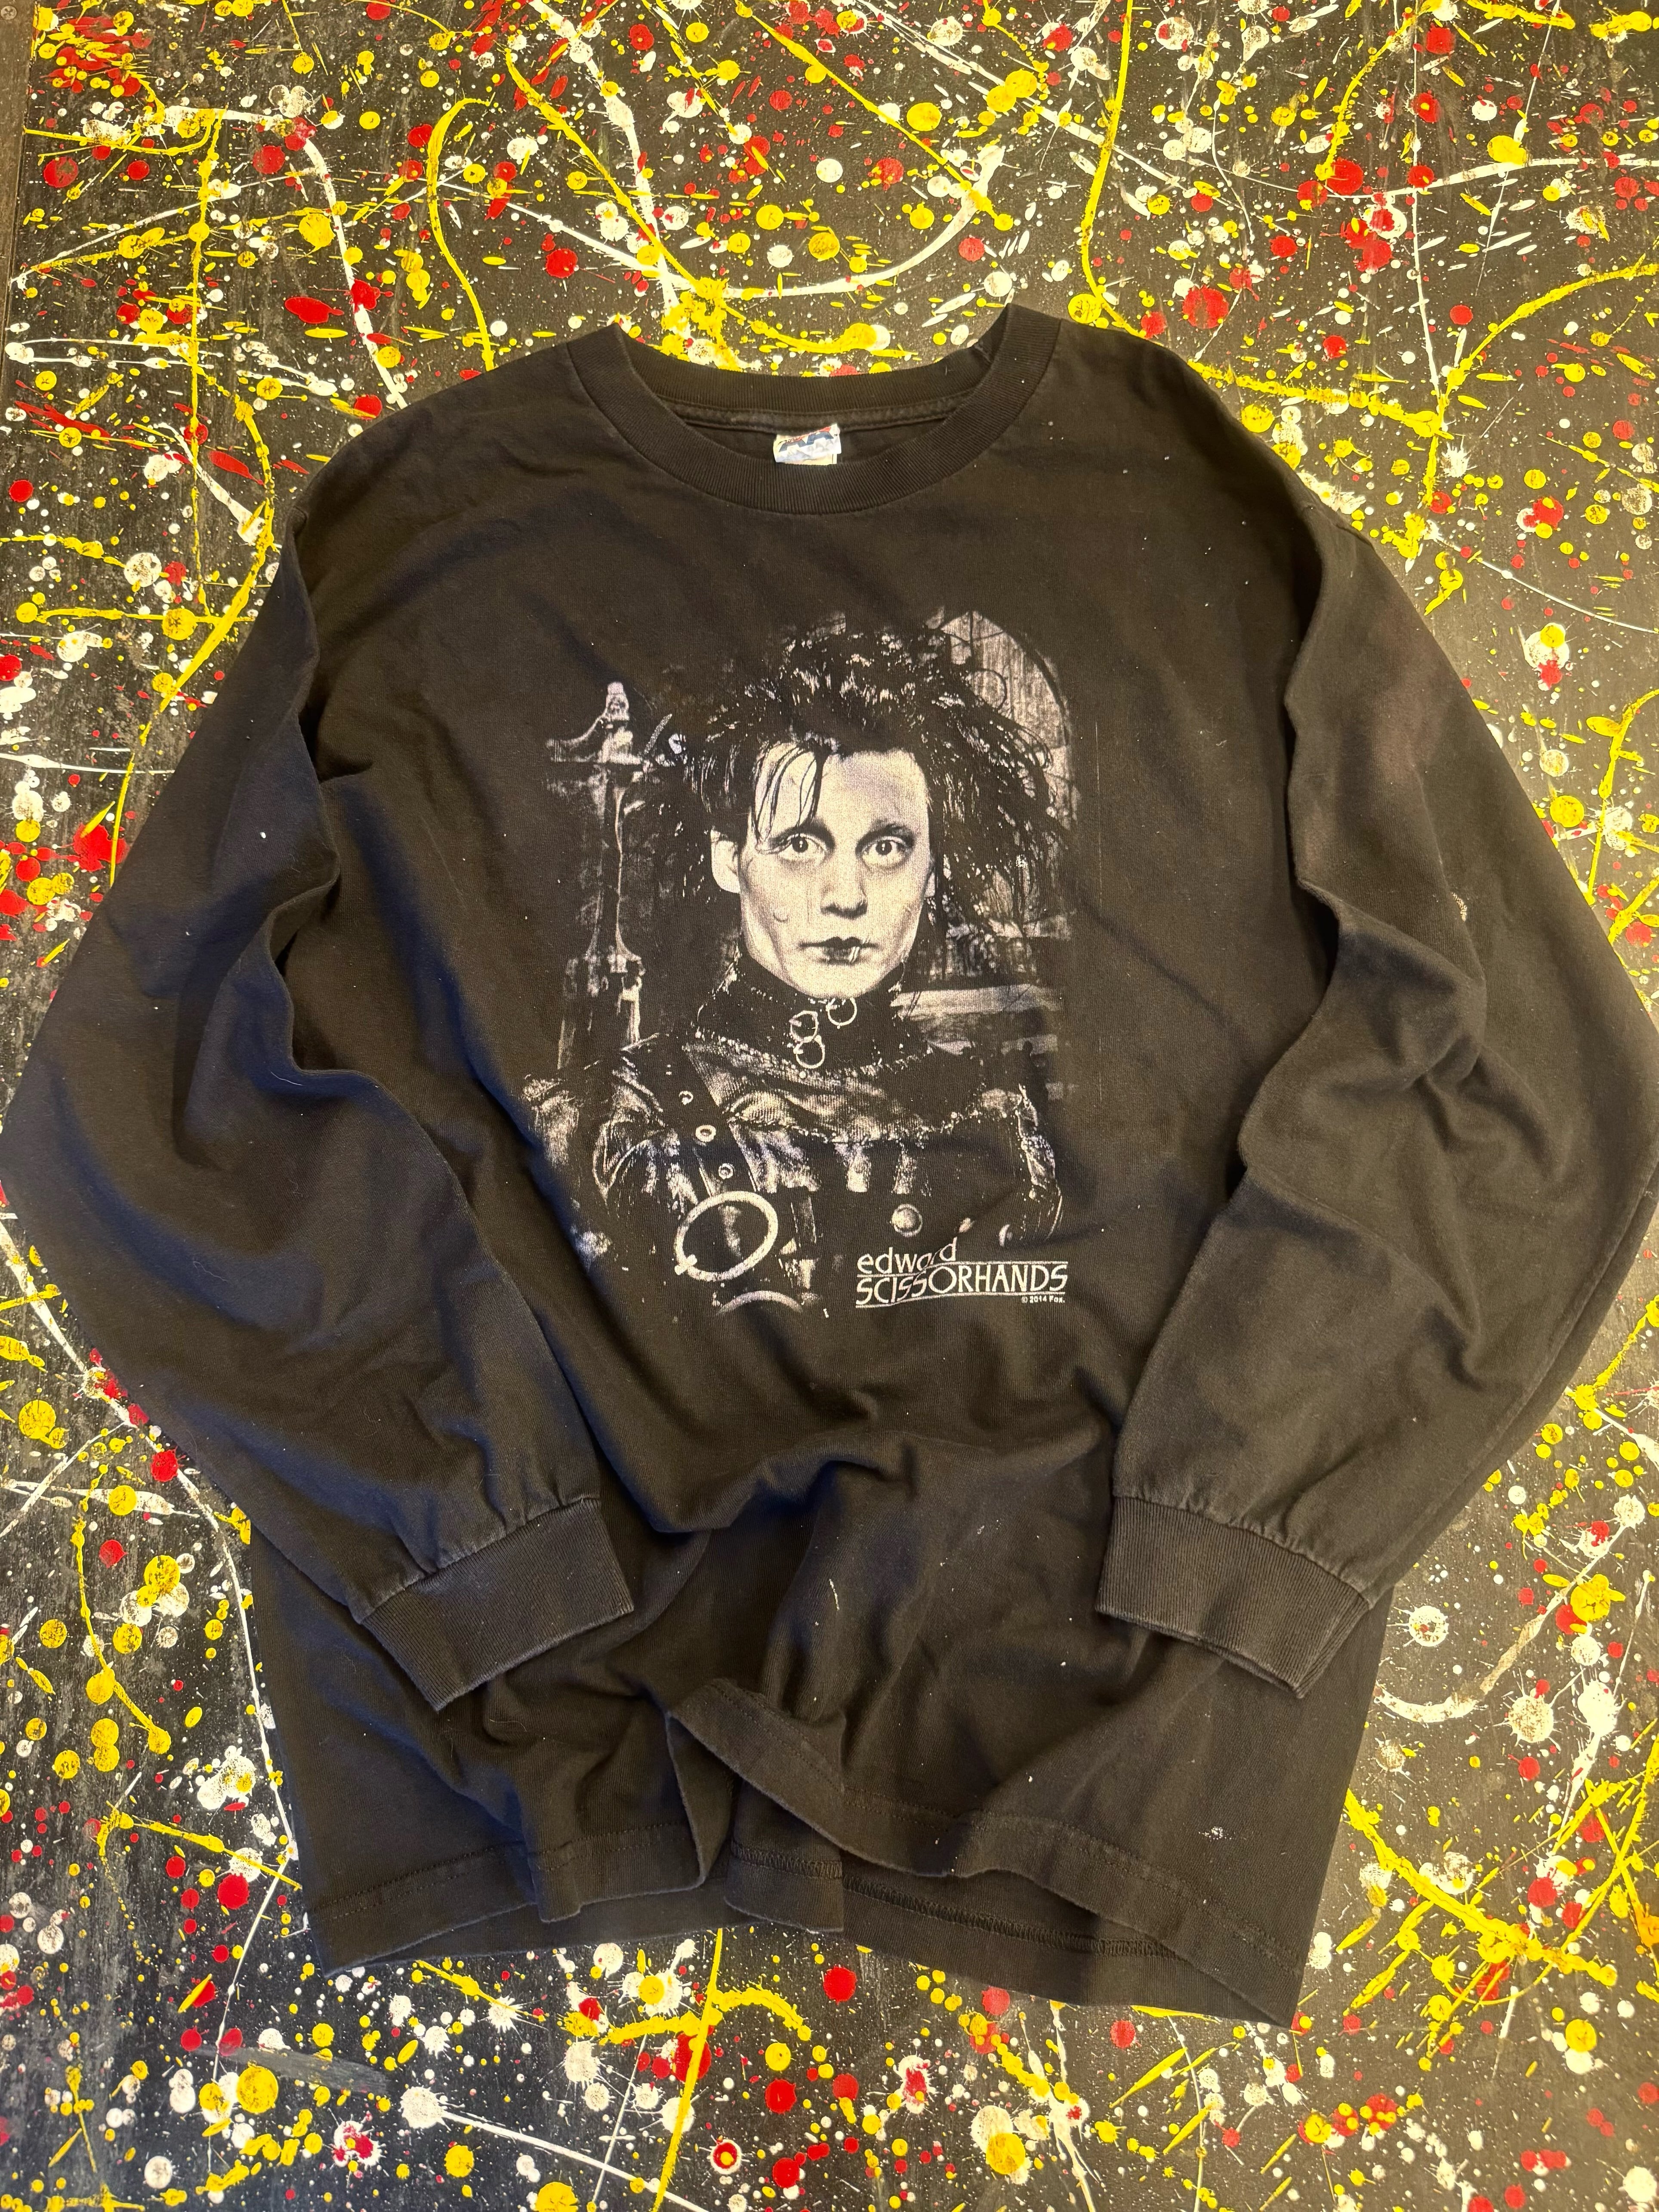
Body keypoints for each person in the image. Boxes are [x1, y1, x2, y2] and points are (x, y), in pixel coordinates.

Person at [524, 620, 1068, 1318]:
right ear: (730, 859)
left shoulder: (996, 1124)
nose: (845, 897)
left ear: (933, 871)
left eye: (886, 847)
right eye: (801, 844)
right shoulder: (603, 1123)